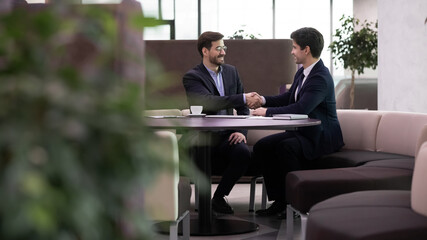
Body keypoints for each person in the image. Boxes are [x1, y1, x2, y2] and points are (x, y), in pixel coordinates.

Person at [251, 27, 344, 217]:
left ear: (306, 49)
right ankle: (280, 201)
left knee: (286, 147)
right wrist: (263, 100)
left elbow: (301, 108)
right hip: (303, 134)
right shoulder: (302, 73)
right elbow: (289, 98)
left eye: (294, 47)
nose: (292, 52)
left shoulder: (320, 77)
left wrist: (266, 112)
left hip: (320, 137)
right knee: (262, 146)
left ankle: (293, 204)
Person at [182, 31, 259, 214]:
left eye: (224, 47)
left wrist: (241, 131)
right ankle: (202, 205)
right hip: (202, 136)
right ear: (205, 51)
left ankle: (218, 198)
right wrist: (240, 98)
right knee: (201, 151)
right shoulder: (192, 77)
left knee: (243, 153)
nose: (223, 52)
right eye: (218, 48)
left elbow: (243, 109)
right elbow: (208, 101)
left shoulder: (232, 72)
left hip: (226, 135)